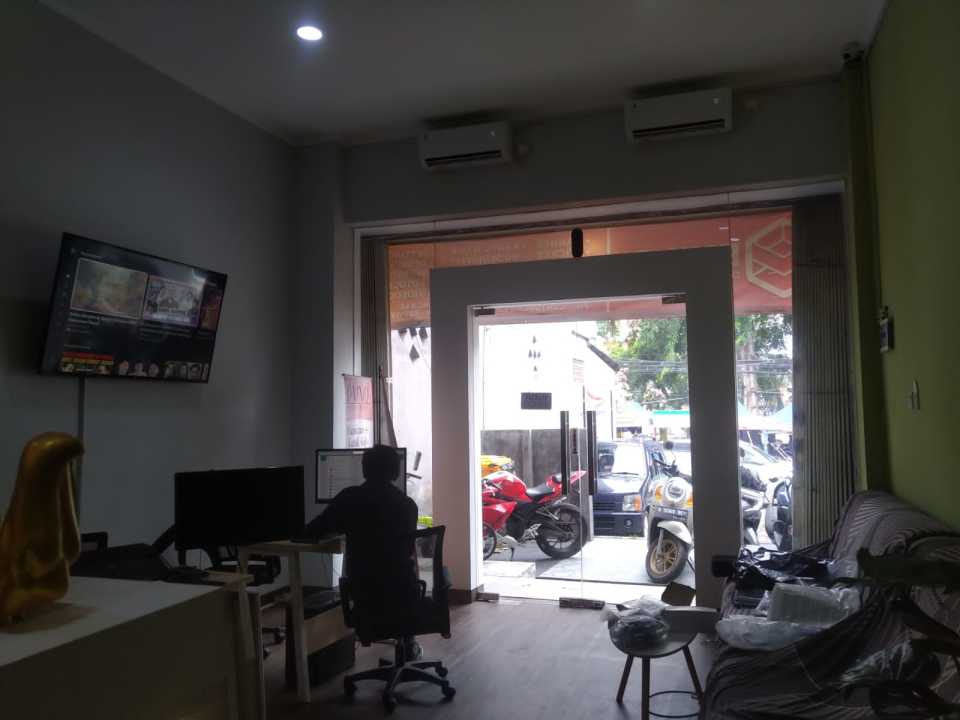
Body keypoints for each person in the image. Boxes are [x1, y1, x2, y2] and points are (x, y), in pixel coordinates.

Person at [303, 445, 421, 654]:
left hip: (363, 594)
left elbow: (314, 530)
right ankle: (408, 644)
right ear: (395, 472)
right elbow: (407, 550)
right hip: (403, 593)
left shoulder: (349, 498)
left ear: (365, 469)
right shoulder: (407, 505)